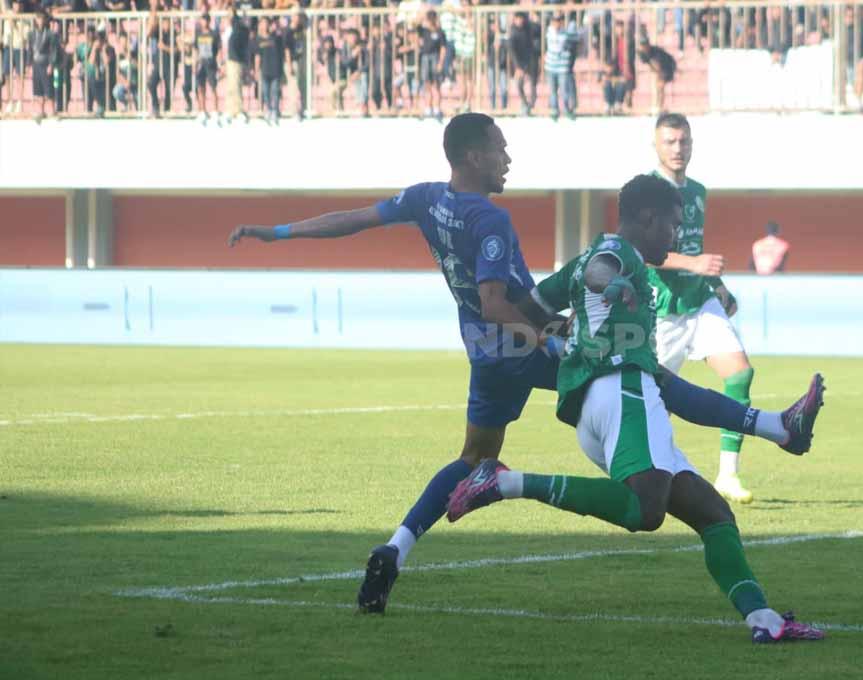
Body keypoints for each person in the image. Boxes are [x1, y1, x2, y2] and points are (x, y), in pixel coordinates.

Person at [226, 113, 824, 616]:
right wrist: (551, 338)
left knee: (472, 457)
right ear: (471, 154)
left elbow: (353, 220)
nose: (507, 158)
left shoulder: (424, 199)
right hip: (519, 340)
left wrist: (277, 232)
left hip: (485, 355)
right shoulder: (490, 219)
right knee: (643, 374)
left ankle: (396, 547)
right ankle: (775, 427)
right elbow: (496, 300)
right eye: (499, 149)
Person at [444, 175, 825, 645]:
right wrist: (615, 284)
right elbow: (601, 272)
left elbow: (531, 306)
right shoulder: (618, 257)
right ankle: (504, 481)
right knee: (646, 510)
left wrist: (556, 333)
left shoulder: (587, 260)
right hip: (621, 395)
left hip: (609, 404)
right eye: (671, 224)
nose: (675, 235)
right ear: (648, 217)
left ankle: (764, 618)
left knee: (712, 514)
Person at [646, 113, 767, 505]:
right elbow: (644, 252)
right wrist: (694, 264)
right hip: (662, 311)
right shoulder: (647, 191)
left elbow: (696, 248)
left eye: (683, 141)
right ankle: (647, 474)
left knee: (740, 374)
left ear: (692, 143)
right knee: (654, 402)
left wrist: (717, 284)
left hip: (699, 301)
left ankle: (728, 475)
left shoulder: (698, 191)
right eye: (669, 142)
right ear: (656, 145)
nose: (677, 149)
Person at [637, 38, 675, 116]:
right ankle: (655, 106)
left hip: (666, 68)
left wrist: (661, 76)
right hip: (657, 70)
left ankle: (659, 107)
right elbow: (651, 64)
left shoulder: (656, 53)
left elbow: (659, 66)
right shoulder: (642, 53)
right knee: (656, 88)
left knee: (660, 88)